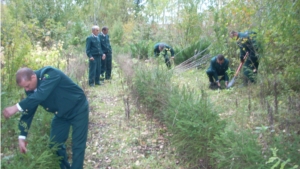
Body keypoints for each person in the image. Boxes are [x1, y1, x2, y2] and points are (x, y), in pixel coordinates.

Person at [2, 66, 89, 169]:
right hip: (61, 115)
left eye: (27, 86)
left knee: (78, 145)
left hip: (78, 108)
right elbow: (28, 111)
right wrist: (22, 136)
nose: (27, 89)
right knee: (54, 144)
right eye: (24, 88)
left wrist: (16, 107)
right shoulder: (31, 90)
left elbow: (41, 94)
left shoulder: (49, 74)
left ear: (33, 77)